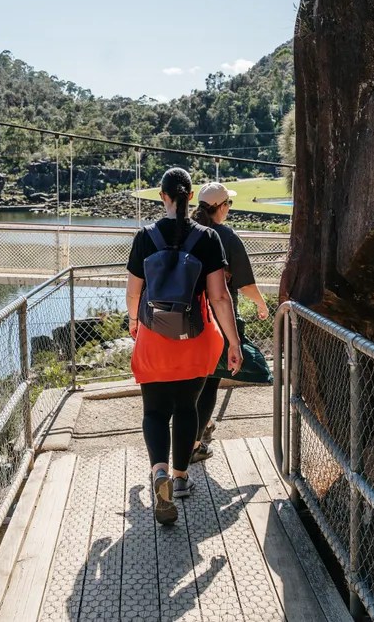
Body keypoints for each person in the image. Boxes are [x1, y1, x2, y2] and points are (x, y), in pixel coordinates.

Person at [126, 167, 242, 525]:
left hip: (153, 338)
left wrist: (134, 323)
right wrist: (233, 342)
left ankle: (159, 472)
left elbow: (133, 293)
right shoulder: (209, 238)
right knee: (187, 407)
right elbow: (220, 297)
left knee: (155, 412)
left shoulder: (145, 237)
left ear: (163, 197)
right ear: (190, 197)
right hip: (197, 339)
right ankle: (180, 479)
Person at [190, 181, 271, 463]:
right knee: (210, 382)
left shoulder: (186, 231)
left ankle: (195, 435)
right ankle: (193, 446)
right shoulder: (225, 236)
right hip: (217, 322)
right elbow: (246, 284)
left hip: (183, 320)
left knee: (191, 384)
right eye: (229, 205)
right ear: (222, 207)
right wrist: (261, 303)